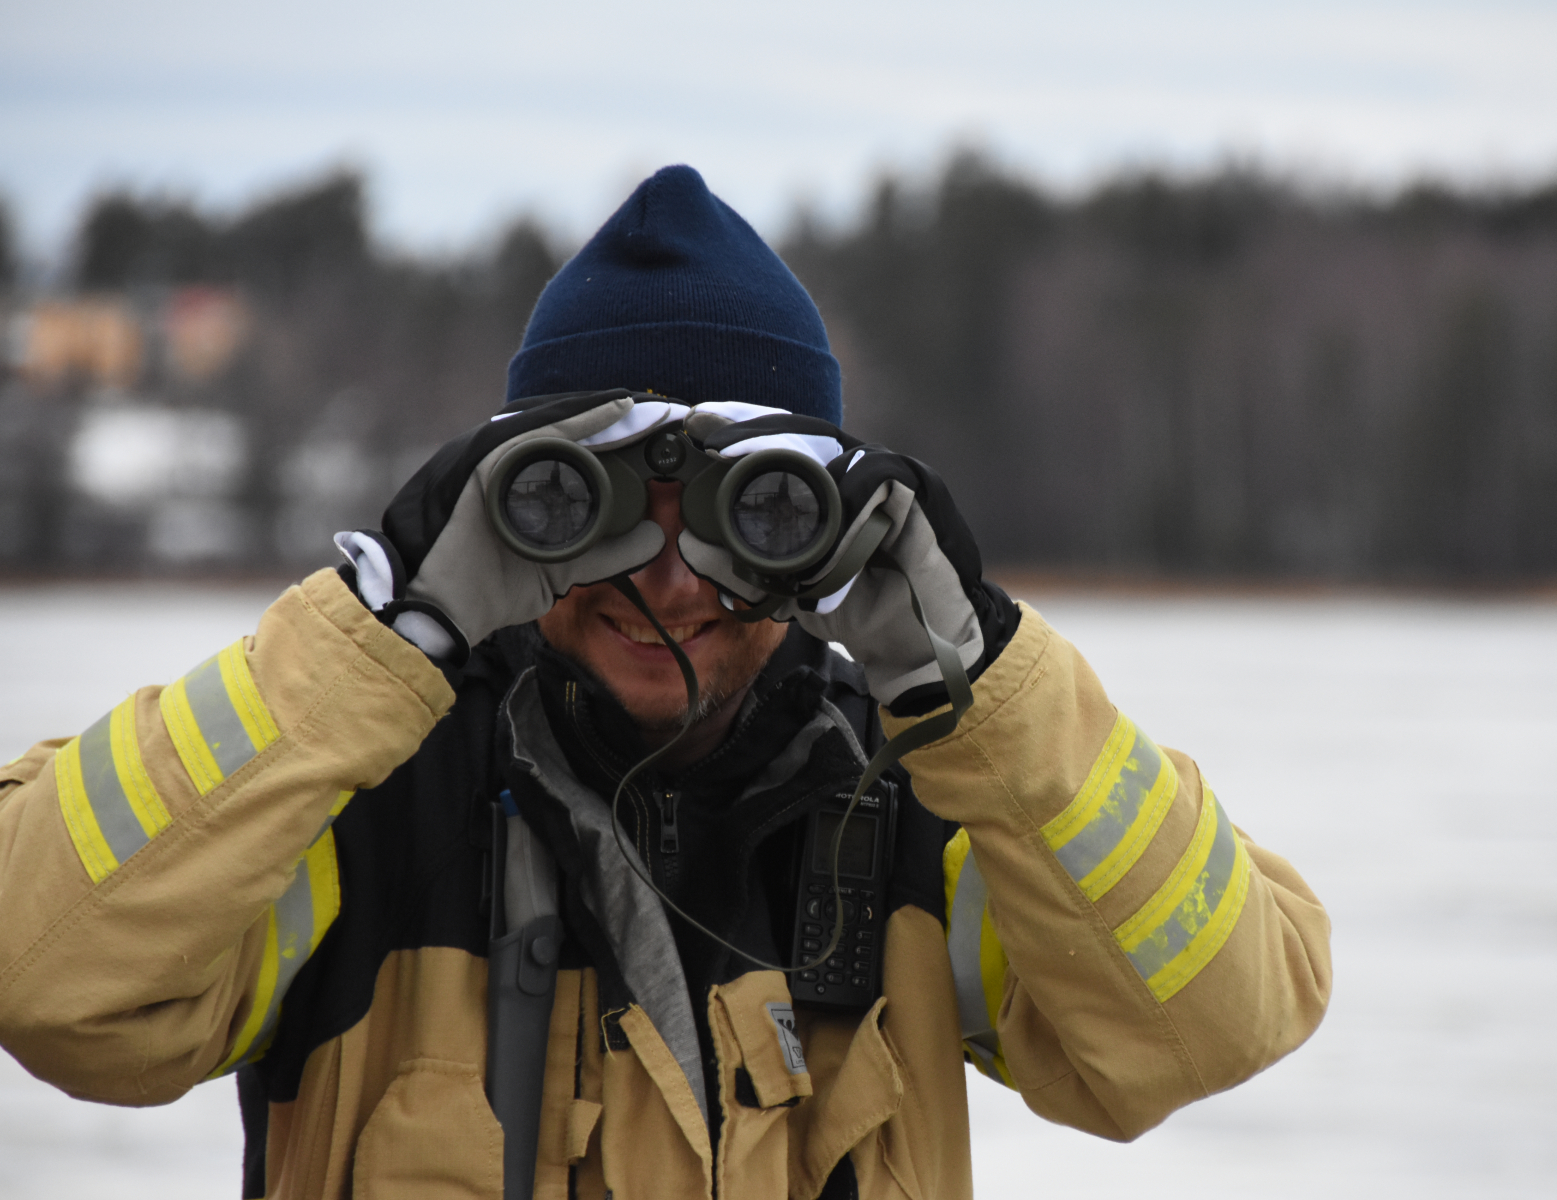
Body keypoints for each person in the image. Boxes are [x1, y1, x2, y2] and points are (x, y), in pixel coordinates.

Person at [0, 165, 1331, 1200]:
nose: (670, 584)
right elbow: (42, 973)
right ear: (505, 505)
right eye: (595, 511)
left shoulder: (929, 808)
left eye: (754, 516)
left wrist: (981, 677)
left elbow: (1217, 1023)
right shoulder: (348, 794)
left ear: (828, 536)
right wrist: (377, 630)